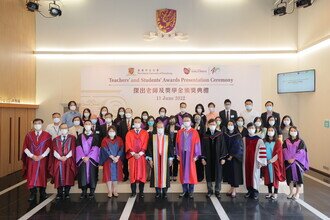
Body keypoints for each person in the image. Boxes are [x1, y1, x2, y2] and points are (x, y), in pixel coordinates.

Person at [22, 118, 52, 202]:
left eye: (39, 123)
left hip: (43, 159)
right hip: (31, 159)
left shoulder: (47, 135)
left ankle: (43, 192)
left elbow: (49, 147)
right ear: (33, 125)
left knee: (42, 175)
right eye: (35, 123)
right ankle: (32, 193)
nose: (37, 125)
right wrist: (32, 156)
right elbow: (25, 147)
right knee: (31, 175)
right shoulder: (29, 135)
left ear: (42, 124)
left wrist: (42, 156)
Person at [176, 116, 201, 199]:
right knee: (183, 172)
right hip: (182, 154)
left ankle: (190, 191)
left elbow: (197, 143)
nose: (186, 122)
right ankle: (184, 190)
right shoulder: (180, 132)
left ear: (191, 122)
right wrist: (177, 154)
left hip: (191, 155)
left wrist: (196, 155)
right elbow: (177, 144)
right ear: (182, 122)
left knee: (191, 173)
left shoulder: (194, 132)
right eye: (184, 120)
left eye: (188, 120)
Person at [49, 123, 76, 200]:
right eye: (62, 128)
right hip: (58, 161)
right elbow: (53, 150)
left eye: (65, 128)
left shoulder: (72, 138)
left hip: (69, 160)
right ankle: (59, 193)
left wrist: (66, 157)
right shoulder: (55, 139)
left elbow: (73, 149)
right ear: (60, 130)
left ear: (68, 129)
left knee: (69, 176)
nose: (64, 130)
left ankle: (67, 192)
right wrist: (60, 157)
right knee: (58, 176)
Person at [202, 119, 227, 198]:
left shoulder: (220, 134)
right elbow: (202, 148)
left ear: (216, 125)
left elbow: (223, 146)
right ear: (208, 125)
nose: (212, 125)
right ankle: (209, 190)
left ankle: (217, 191)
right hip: (208, 158)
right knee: (208, 173)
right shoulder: (205, 135)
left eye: (214, 124)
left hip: (217, 158)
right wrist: (203, 158)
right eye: (211, 124)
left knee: (218, 174)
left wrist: (223, 158)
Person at [147, 121, 173, 199]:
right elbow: (149, 148)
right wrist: (150, 159)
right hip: (156, 158)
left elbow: (171, 148)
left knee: (165, 175)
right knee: (156, 174)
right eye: (158, 127)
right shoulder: (152, 136)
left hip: (165, 158)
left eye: (161, 127)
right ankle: (158, 192)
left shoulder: (167, 136)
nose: (160, 129)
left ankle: (165, 192)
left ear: (164, 128)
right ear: (156, 128)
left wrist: (170, 159)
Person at [283, 126, 309, 200]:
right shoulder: (286, 141)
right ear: (289, 132)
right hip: (289, 163)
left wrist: (294, 158)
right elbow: (284, 150)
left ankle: (297, 193)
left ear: (297, 132)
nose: (293, 131)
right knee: (289, 178)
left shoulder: (301, 141)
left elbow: (301, 152)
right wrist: (288, 159)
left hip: (298, 162)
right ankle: (291, 192)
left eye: (294, 130)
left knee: (299, 179)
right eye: (291, 130)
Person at [125, 117, 149, 198]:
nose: (137, 123)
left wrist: (140, 153)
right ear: (133, 123)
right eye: (135, 122)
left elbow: (146, 144)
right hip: (133, 157)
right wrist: (133, 153)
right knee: (132, 173)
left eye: (139, 122)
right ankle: (133, 192)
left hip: (141, 157)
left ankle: (141, 192)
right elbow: (128, 144)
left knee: (142, 173)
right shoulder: (129, 133)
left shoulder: (145, 133)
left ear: (141, 123)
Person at [76, 120, 100, 199]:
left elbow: (96, 147)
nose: (87, 125)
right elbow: (78, 147)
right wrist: (83, 157)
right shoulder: (80, 136)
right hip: (82, 159)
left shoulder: (95, 136)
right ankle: (84, 191)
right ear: (84, 125)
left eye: (89, 124)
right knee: (83, 174)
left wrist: (88, 157)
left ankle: (92, 191)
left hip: (91, 159)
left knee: (92, 174)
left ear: (91, 125)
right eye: (86, 124)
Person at [244, 122, 267, 200]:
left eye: (252, 128)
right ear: (247, 129)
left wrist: (261, 162)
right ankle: (249, 191)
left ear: (255, 129)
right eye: (250, 128)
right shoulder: (244, 139)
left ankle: (255, 191)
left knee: (255, 176)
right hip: (246, 161)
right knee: (247, 175)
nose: (251, 130)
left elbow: (262, 151)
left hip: (255, 161)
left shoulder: (259, 140)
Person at [261, 127, 286, 200]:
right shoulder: (264, 141)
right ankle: (269, 192)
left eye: (272, 130)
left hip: (274, 163)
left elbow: (279, 153)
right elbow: (262, 151)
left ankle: (275, 193)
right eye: (269, 130)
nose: (270, 131)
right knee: (268, 177)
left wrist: (271, 160)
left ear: (275, 132)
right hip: (266, 162)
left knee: (275, 178)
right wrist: (265, 160)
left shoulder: (278, 141)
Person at [99, 126, 124, 198]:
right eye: (110, 131)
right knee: (108, 175)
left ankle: (115, 190)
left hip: (117, 160)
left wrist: (117, 157)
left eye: (113, 131)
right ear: (108, 132)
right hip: (108, 160)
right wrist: (112, 157)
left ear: (115, 132)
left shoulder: (119, 139)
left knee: (116, 175)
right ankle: (109, 191)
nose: (111, 132)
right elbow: (104, 149)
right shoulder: (105, 140)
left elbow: (121, 148)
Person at [224, 120, 244, 198]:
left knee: (235, 174)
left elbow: (238, 146)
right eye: (228, 124)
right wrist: (226, 155)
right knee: (230, 173)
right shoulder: (225, 134)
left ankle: (234, 190)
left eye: (231, 124)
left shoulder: (237, 135)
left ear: (234, 125)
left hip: (235, 158)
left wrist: (232, 155)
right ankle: (231, 188)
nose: (230, 125)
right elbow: (223, 145)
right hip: (227, 157)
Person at [117, 108, 134, 181]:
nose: (128, 113)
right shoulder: (122, 123)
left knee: (133, 160)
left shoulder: (135, 122)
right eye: (126, 112)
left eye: (129, 112)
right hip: (124, 145)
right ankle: (126, 175)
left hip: (134, 146)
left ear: (132, 113)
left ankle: (133, 175)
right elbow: (119, 135)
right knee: (125, 161)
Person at [166, 115, 180, 181]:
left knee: (175, 161)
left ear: (175, 120)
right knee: (169, 160)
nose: (172, 120)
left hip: (176, 146)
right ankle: (169, 174)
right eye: (171, 119)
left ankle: (174, 175)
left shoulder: (178, 128)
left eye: (173, 119)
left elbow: (180, 137)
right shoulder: (167, 127)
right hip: (168, 146)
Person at [193, 114, 206, 182]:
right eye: (196, 118)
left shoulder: (202, 126)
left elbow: (203, 136)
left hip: (200, 145)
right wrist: (196, 126)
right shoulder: (192, 126)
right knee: (194, 162)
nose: (197, 119)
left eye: (198, 118)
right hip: (193, 146)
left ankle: (200, 177)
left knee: (200, 162)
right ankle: (194, 176)